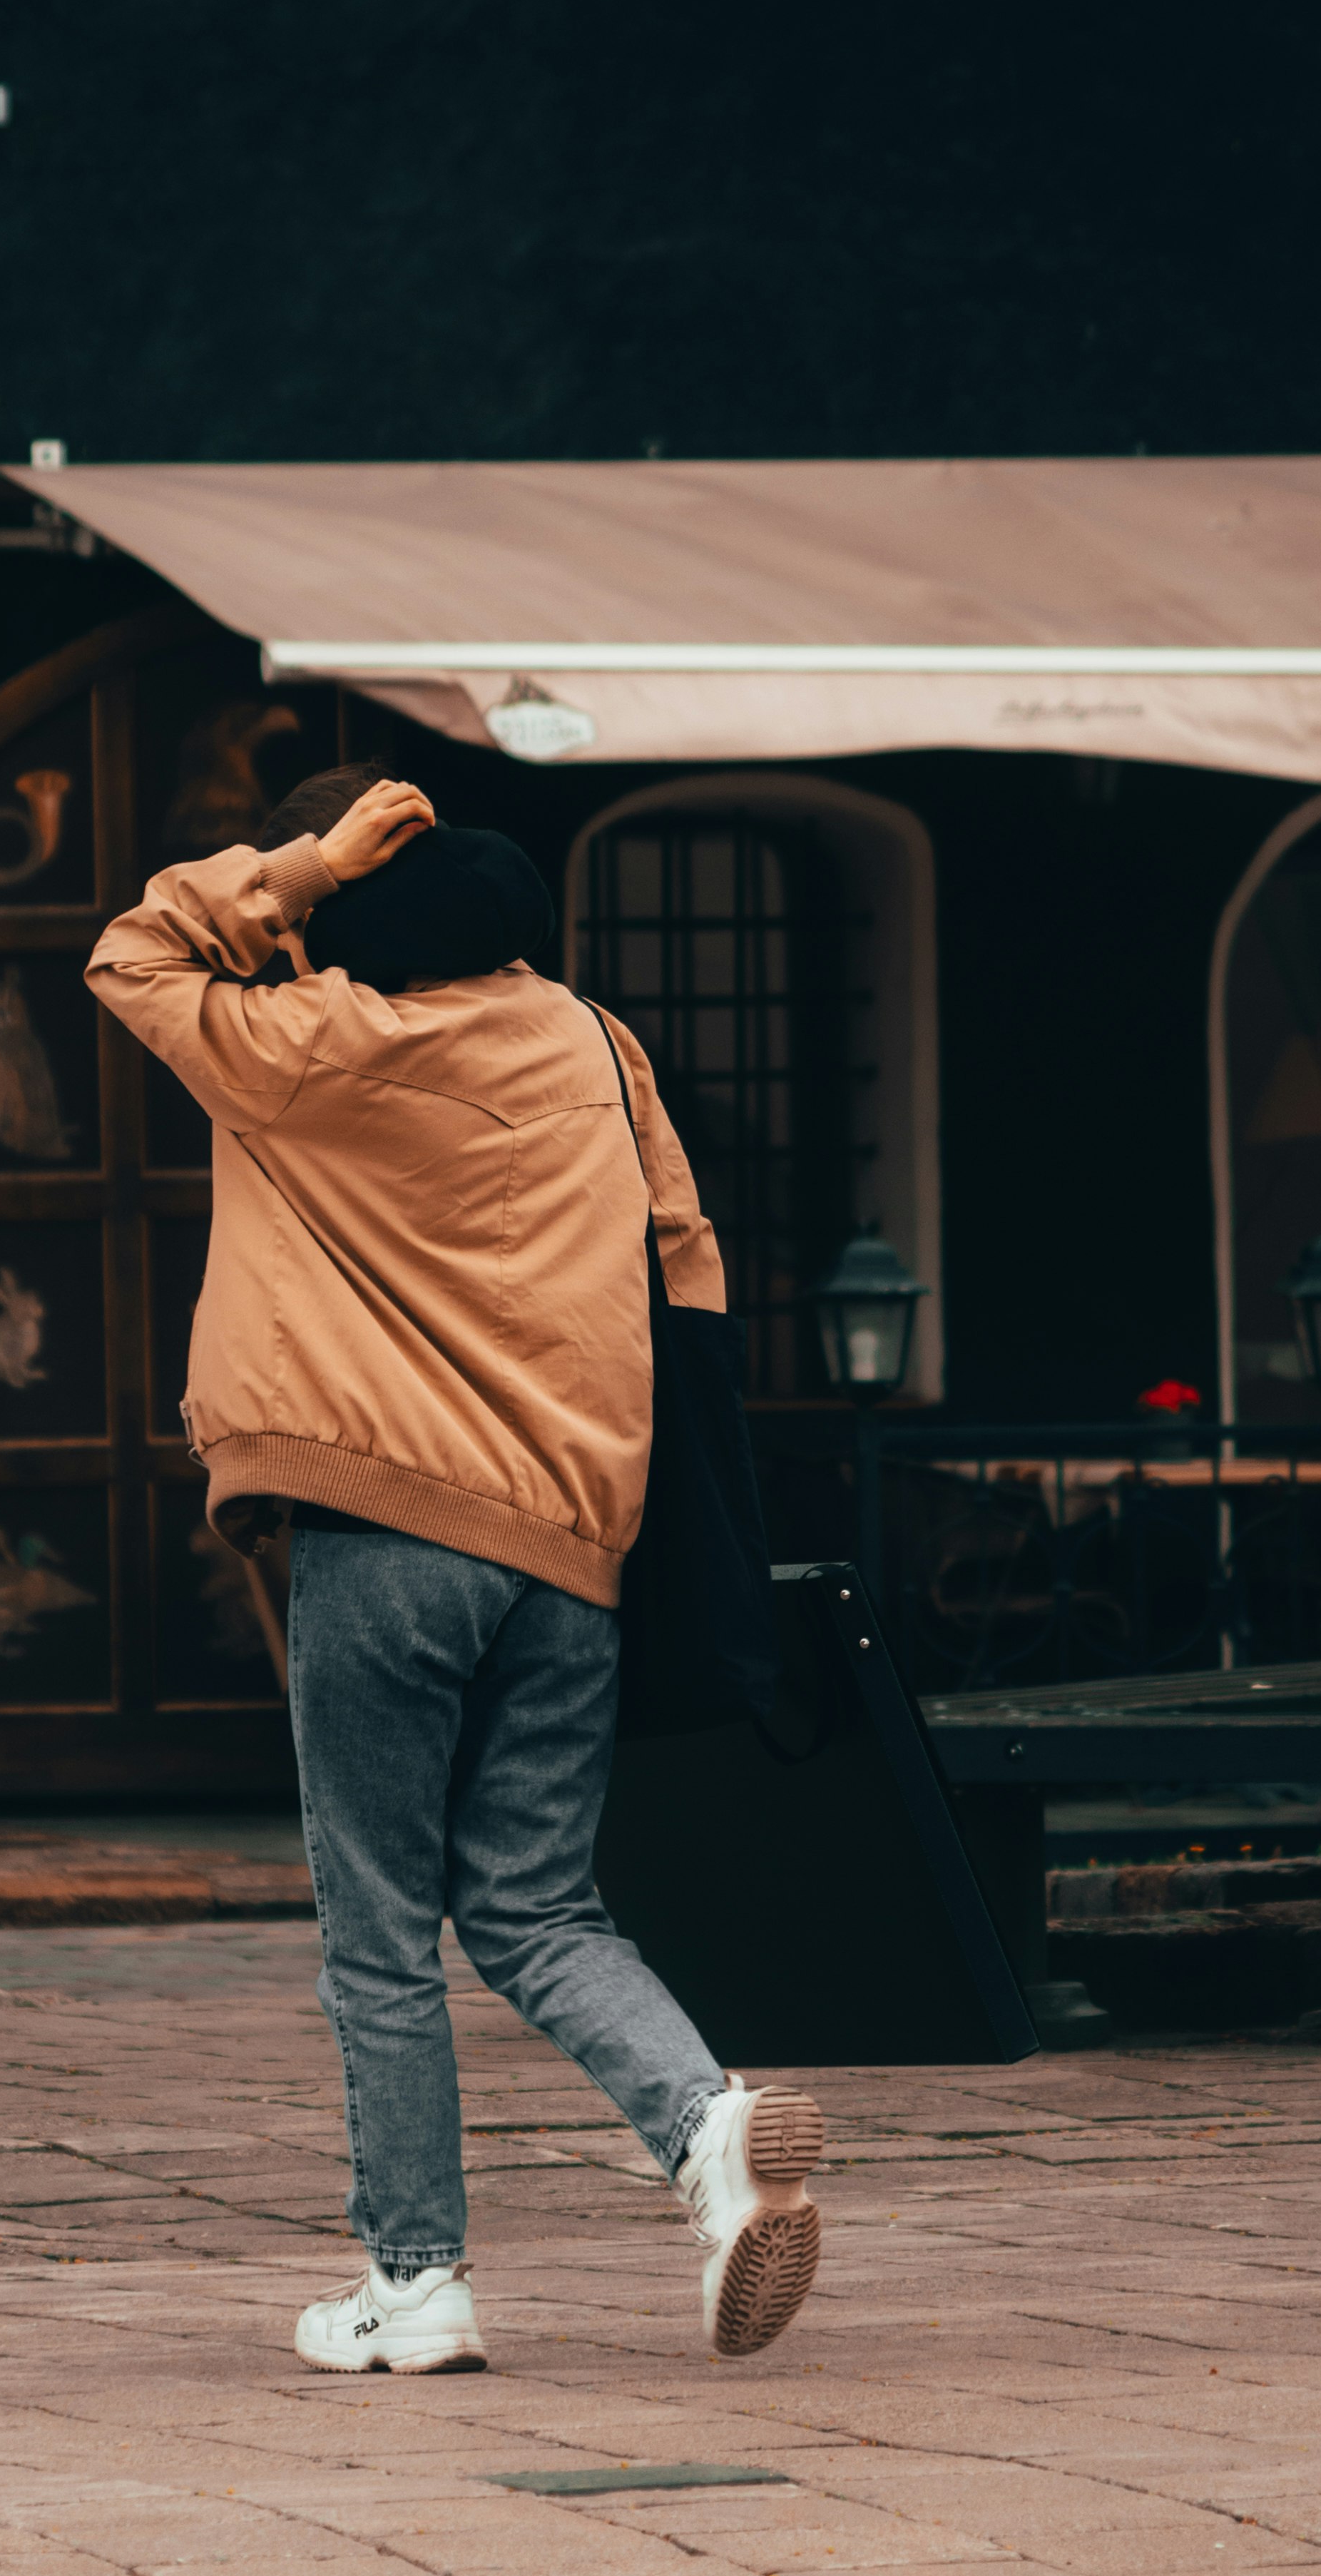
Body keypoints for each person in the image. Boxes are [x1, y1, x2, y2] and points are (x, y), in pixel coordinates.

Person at [86, 762, 823, 2373]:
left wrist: (307, 859)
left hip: (384, 1530)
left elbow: (135, 953)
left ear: (363, 926)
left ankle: (416, 2285)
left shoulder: (320, 1047)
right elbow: (685, 1272)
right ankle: (709, 2130)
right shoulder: (599, 1051)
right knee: (542, 1899)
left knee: (377, 1926)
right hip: (572, 1542)